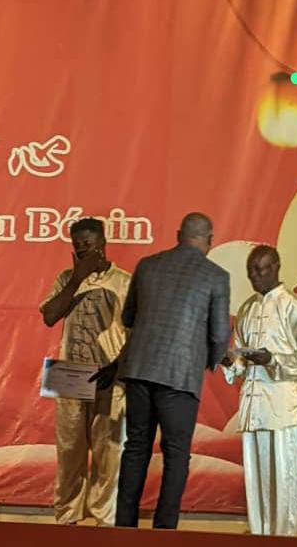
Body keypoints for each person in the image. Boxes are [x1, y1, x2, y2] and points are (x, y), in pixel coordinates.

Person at [92, 212, 231, 529]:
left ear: (178, 234)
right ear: (210, 240)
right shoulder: (216, 276)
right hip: (180, 377)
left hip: (139, 369)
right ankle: (164, 531)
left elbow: (128, 318)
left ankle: (125, 528)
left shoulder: (147, 265)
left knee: (136, 447)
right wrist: (209, 360)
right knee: (176, 454)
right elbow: (220, 334)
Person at [40, 217, 132, 525]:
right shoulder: (66, 278)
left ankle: (105, 519)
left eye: (88, 244)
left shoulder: (124, 281)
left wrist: (119, 366)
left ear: (102, 244)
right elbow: (49, 317)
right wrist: (77, 279)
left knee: (109, 453)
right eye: (77, 245)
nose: (82, 249)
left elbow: (136, 332)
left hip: (110, 377)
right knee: (69, 452)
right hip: (69, 375)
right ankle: (67, 517)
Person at [222, 245, 297, 535]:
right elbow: (240, 362)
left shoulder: (296, 307)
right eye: (250, 270)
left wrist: (272, 359)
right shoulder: (247, 309)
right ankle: (259, 532)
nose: (254, 276)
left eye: (260, 269)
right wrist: (228, 360)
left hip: (282, 405)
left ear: (276, 267)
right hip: (253, 405)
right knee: (255, 475)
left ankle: (284, 536)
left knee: (283, 475)